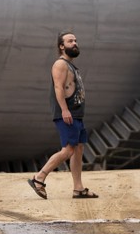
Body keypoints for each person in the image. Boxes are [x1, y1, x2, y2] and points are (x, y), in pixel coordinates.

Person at [27, 31, 99, 200]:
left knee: (78, 148)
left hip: (76, 114)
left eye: (75, 40)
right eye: (70, 41)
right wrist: (65, 110)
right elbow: (59, 88)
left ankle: (78, 189)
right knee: (68, 150)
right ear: (61, 46)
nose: (75, 43)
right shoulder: (60, 65)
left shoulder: (71, 65)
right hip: (67, 114)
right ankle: (39, 178)